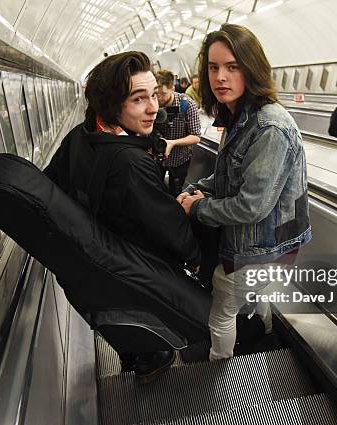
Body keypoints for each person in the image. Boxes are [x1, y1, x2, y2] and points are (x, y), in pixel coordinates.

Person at [43, 51, 201, 382]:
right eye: (137, 99)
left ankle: (144, 356)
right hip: (132, 263)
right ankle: (157, 355)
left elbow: (51, 183)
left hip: (96, 265)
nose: (153, 107)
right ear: (113, 103)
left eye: (153, 95)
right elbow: (168, 227)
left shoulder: (79, 136)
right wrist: (195, 254)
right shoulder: (131, 162)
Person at [177, 24, 311, 361]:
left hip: (263, 245)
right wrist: (196, 189)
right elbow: (228, 177)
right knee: (252, 293)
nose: (221, 76)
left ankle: (220, 372)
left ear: (251, 68)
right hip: (257, 245)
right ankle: (265, 338)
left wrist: (197, 209)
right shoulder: (239, 117)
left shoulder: (270, 127)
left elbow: (252, 206)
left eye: (232, 67)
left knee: (222, 306)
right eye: (213, 67)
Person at [155, 69, 201, 197]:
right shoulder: (153, 103)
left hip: (180, 159)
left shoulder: (187, 105)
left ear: (172, 89)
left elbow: (196, 137)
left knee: (175, 192)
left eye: (163, 94)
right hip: (157, 159)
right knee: (155, 190)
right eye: (156, 94)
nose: (158, 98)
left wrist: (172, 143)